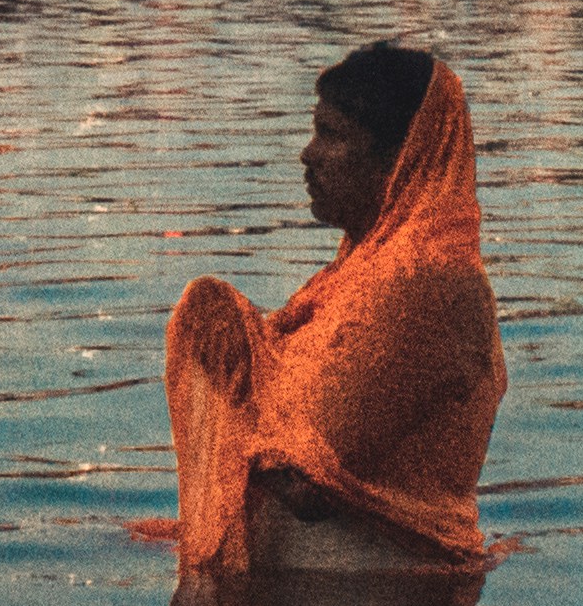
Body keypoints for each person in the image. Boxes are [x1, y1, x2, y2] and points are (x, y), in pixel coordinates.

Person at [163, 44, 503, 576]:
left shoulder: (428, 283)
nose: (308, 154)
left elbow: (310, 485)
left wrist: (233, 369)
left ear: (398, 160)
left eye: (332, 135)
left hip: (377, 597)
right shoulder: (362, 275)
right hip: (334, 588)